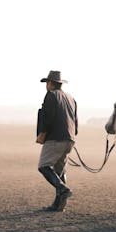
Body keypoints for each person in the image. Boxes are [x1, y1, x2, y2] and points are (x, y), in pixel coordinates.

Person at [36, 70, 78, 212]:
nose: (46, 85)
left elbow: (48, 118)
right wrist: (71, 136)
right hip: (69, 139)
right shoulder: (71, 98)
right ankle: (58, 205)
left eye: (47, 83)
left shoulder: (51, 96)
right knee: (60, 170)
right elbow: (75, 120)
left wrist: (42, 134)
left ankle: (63, 189)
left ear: (50, 83)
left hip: (56, 138)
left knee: (44, 166)